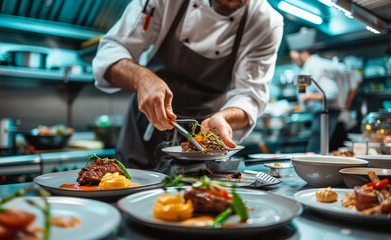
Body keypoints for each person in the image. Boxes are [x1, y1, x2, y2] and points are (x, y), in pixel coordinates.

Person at [93, 0, 283, 169]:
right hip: (144, 131)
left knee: (201, 202)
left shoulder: (265, 21)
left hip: (205, 142)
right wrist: (142, 78)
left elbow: (250, 95)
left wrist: (225, 118)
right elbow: (110, 52)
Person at [286, 28, 352, 153]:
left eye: (294, 57)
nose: (293, 61)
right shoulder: (309, 67)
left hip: (327, 116)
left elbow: (331, 93)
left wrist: (308, 96)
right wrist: (299, 104)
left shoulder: (317, 67)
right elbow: (303, 91)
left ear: (304, 53)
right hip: (326, 116)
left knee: (315, 155)